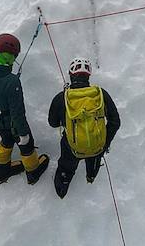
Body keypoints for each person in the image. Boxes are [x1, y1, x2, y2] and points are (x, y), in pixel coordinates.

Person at [0, 33, 50, 185]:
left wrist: (7, 70)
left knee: (6, 141)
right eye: (14, 55)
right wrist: (23, 134)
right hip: (12, 122)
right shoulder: (12, 82)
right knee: (26, 147)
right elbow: (18, 113)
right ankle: (33, 172)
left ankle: (2, 172)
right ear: (10, 56)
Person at [47, 58, 121, 198]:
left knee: (67, 165)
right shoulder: (100, 94)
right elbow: (115, 122)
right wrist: (105, 142)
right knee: (94, 156)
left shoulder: (62, 97)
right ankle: (90, 176)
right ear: (89, 75)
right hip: (97, 144)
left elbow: (53, 123)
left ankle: (62, 186)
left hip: (71, 146)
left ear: (71, 74)